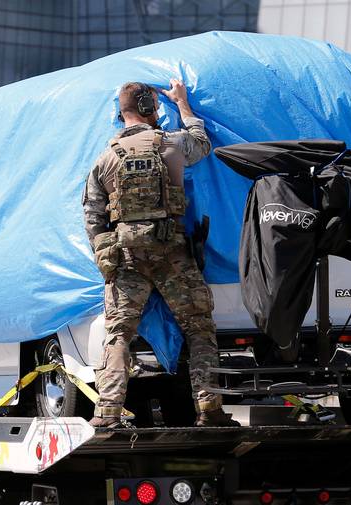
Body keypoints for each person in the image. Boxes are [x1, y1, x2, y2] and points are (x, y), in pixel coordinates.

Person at [82, 79, 238, 428]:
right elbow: (203, 143)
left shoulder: (105, 159)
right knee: (198, 329)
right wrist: (182, 104)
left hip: (127, 257)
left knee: (119, 333)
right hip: (172, 253)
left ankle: (107, 413)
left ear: (120, 112)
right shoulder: (172, 143)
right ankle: (209, 409)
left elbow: (92, 215)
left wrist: (105, 253)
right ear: (151, 109)